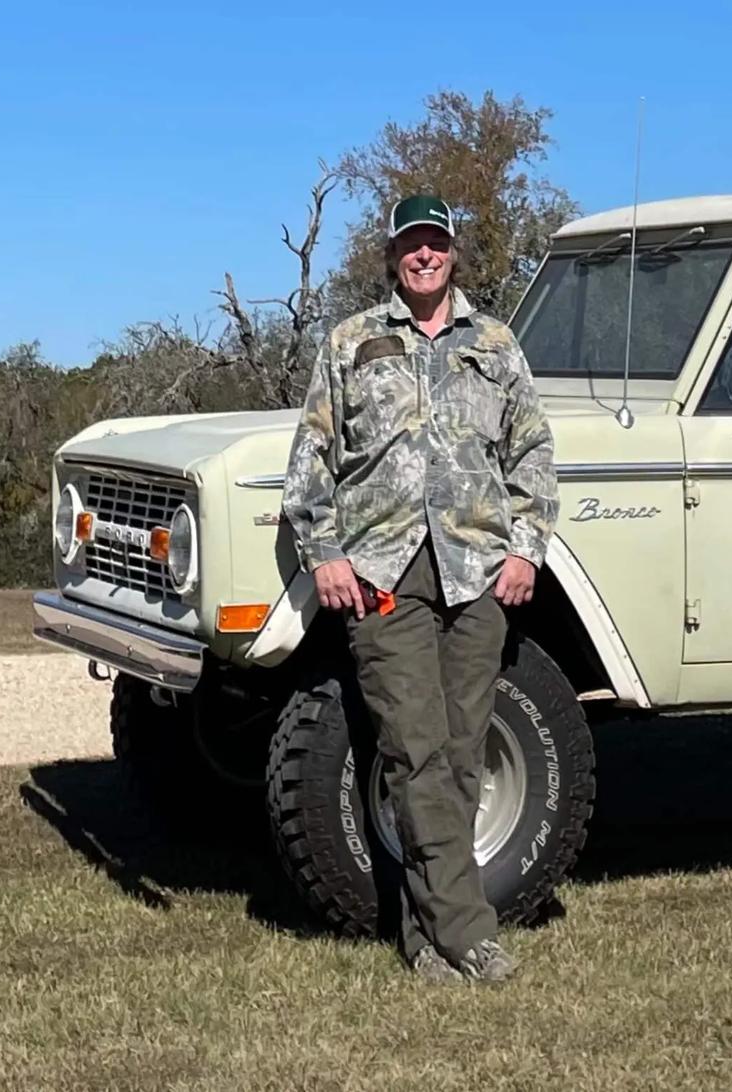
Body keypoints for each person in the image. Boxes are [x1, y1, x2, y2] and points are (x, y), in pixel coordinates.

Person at [281, 195, 558, 983]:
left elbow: (532, 452)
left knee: (462, 755)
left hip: (478, 571)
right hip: (381, 574)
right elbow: (312, 462)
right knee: (412, 748)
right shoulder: (351, 341)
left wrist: (527, 551)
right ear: (393, 256)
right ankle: (470, 933)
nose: (424, 256)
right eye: (411, 245)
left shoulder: (497, 344)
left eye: (436, 242)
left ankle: (421, 935)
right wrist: (325, 553)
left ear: (454, 252)